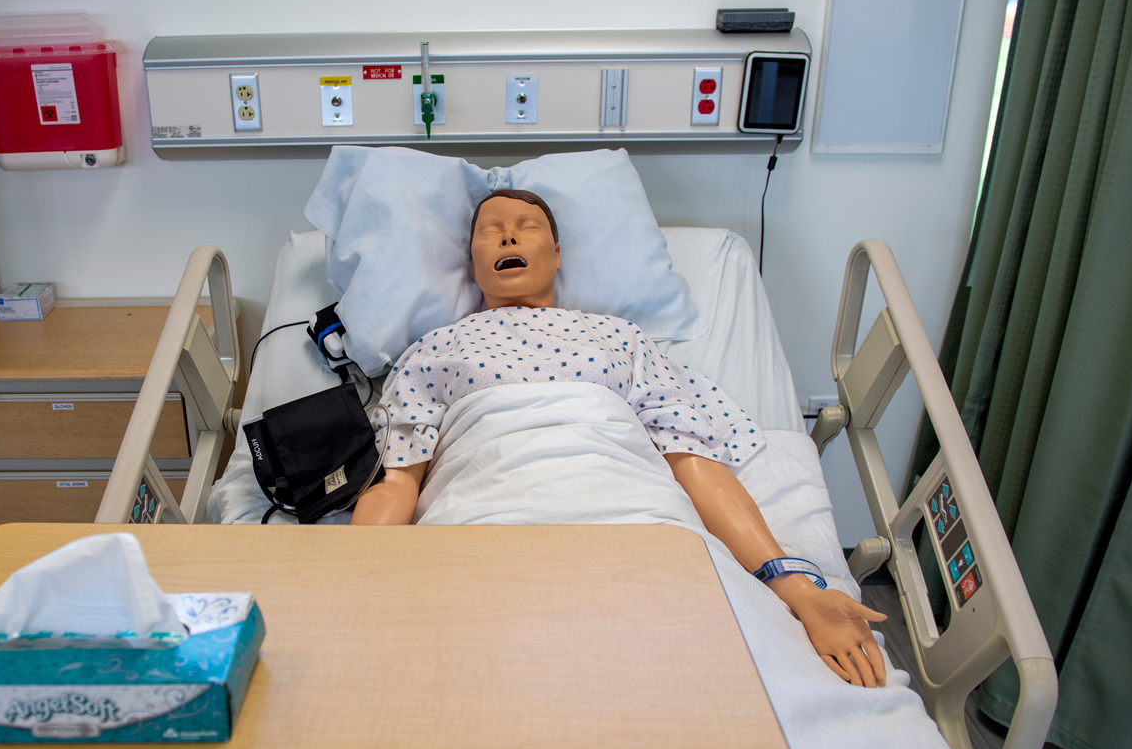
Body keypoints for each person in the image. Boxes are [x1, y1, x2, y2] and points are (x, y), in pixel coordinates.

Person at [352, 189, 886, 687]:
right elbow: (398, 479)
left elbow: (696, 463)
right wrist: (347, 580)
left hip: (636, 522)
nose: (509, 237)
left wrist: (799, 590)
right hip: (483, 524)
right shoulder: (435, 347)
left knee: (722, 678)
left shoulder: (619, 337)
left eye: (526, 227)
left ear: (557, 254)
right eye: (491, 231)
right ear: (473, 264)